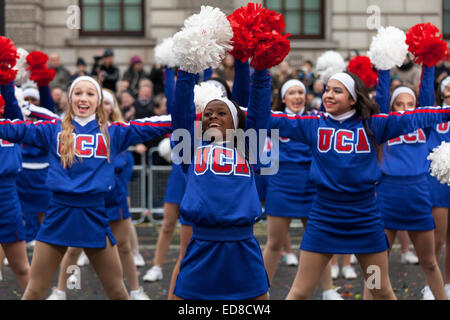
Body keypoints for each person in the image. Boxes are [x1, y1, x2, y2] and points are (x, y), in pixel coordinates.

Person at [267, 71, 450, 300]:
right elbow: (265, 118)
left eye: (337, 91)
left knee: (379, 288)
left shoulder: (375, 125)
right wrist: (262, 75)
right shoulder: (312, 124)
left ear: (353, 99)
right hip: (325, 218)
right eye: (327, 90)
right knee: (301, 292)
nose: (328, 95)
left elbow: (418, 117)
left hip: (364, 221)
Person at [0, 76, 172, 299]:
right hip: (57, 215)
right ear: (70, 98)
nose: (83, 98)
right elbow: (14, 129)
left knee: (118, 291)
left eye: (90, 94)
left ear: (98, 101)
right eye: (78, 93)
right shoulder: (52, 129)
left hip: (94, 215)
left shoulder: (113, 132)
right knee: (34, 290)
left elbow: (157, 124)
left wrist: (194, 111)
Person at [170, 57, 271, 299]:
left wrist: (259, 65)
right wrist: (188, 67)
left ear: (236, 123)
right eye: (208, 114)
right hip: (202, 245)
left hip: (242, 245)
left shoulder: (249, 149)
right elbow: (181, 108)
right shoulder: (189, 148)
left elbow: (257, 106)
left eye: (221, 113)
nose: (213, 116)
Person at [46, 89, 150, 300]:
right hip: (90, 204)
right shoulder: (77, 131)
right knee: (73, 250)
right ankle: (61, 289)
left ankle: (136, 289)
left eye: (111, 103)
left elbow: (124, 165)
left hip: (115, 202)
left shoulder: (119, 133)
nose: (108, 107)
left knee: (124, 248)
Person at [262, 78, 342, 300]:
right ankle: (261, 290)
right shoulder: (274, 118)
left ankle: (328, 290)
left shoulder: (316, 118)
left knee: (319, 239)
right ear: (283, 97)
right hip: (282, 183)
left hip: (312, 184)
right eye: (292, 93)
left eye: (301, 92)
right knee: (274, 242)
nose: (297, 97)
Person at [373, 65, 446, 300]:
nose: (405, 109)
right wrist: (384, 67)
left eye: (410, 104)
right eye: (399, 104)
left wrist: (429, 63)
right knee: (377, 262)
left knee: (429, 262)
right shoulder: (385, 125)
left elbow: (426, 96)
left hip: (418, 193)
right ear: (391, 107)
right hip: (388, 193)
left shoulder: (423, 123)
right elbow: (382, 96)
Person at [0, 82, 31, 292]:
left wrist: (5, 76)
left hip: (8, 198)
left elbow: (10, 101)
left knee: (21, 267)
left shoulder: (12, 124)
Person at [423, 75, 450, 299]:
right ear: (442, 93)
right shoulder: (433, 114)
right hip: (438, 180)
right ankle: (431, 284)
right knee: (437, 237)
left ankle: (448, 285)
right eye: (448, 88)